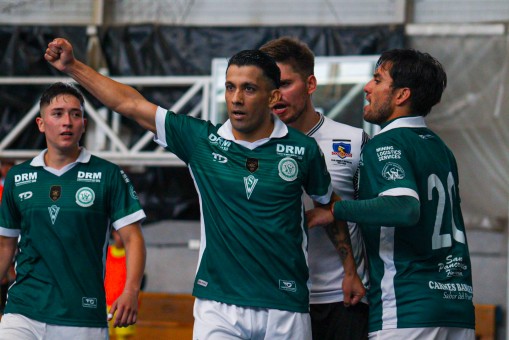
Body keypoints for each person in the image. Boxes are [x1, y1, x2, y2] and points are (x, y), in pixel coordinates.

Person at [45, 38, 334, 340]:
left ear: (273, 95)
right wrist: (72, 67)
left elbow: (329, 203)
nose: (236, 98)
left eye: (248, 88)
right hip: (218, 306)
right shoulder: (201, 141)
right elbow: (128, 103)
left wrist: (346, 263)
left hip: (285, 306)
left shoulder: (304, 149)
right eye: (230, 87)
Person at [306, 49, 475, 339]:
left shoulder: (387, 143)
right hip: (456, 307)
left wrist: (335, 210)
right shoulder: (439, 147)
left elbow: (405, 208)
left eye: (377, 79)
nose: (367, 88)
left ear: (401, 95)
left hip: (407, 309)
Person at [0, 82, 147, 340]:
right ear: (41, 123)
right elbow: (5, 245)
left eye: (75, 114)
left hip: (83, 316)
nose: (67, 121)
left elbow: (133, 238)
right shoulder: (18, 176)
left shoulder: (108, 175)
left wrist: (131, 291)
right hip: (23, 311)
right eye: (57, 114)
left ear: (84, 124)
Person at [260, 37, 369, 340]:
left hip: (343, 298)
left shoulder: (354, 142)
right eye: (269, 86)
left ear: (310, 84)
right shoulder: (251, 147)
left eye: (284, 84)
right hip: (278, 300)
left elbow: (376, 221)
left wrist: (356, 275)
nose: (276, 95)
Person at [105, 229, 137, 340]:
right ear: (113, 234)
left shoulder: (132, 257)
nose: (120, 237)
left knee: (122, 337)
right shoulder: (106, 252)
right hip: (105, 304)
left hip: (123, 305)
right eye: (117, 233)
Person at [0, 160, 15, 315]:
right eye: (4, 166)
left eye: (9, 166)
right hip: (4, 233)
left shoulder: (15, 186)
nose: (6, 169)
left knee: (11, 271)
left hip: (11, 233)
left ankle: (6, 304)